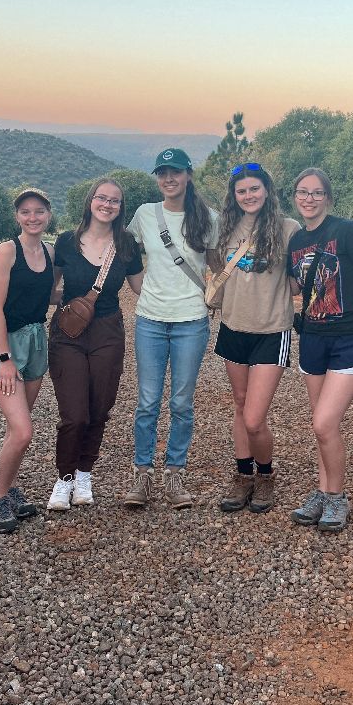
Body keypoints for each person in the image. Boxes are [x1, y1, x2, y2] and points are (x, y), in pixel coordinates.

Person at [123, 148, 219, 509]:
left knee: (181, 402)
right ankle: (142, 475)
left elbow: (217, 264)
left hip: (191, 320)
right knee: (147, 402)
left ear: (188, 175)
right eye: (162, 173)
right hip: (150, 318)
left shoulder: (208, 218)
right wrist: (137, 285)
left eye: (175, 172)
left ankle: (175, 474)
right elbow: (126, 250)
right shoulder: (145, 214)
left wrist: (218, 296)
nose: (168, 179)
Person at [288, 168, 353, 532]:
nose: (308, 199)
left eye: (316, 193)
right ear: (294, 197)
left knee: (324, 422)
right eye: (302, 192)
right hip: (312, 338)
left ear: (327, 197)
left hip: (348, 339)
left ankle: (337, 498)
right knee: (321, 428)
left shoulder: (347, 230)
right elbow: (297, 287)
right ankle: (323, 491)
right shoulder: (295, 240)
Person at [47, 178, 143, 509]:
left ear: (121, 207)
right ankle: (64, 478)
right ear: (90, 201)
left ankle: (84, 472)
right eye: (102, 198)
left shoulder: (127, 244)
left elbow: (143, 288)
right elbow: (49, 287)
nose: (107, 204)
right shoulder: (65, 242)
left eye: (114, 200)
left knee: (99, 409)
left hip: (108, 331)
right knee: (74, 413)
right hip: (68, 333)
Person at [215, 163, 301, 514]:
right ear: (234, 196)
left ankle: (265, 476)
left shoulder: (289, 229)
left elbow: (299, 279)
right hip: (233, 325)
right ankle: (243, 475)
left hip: (271, 329)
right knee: (239, 404)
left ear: (267, 190)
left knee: (254, 417)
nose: (249, 195)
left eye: (254, 189)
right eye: (242, 191)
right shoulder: (225, 227)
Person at [0, 188, 57, 534]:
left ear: (48, 214)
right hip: (8, 345)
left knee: (17, 428)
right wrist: (4, 359)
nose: (33, 217)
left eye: (39, 211)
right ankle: (0, 499)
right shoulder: (7, 251)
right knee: (24, 431)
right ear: (17, 216)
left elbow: (49, 293)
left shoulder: (50, 251)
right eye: (26, 212)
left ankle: (11, 488)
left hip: (37, 342)